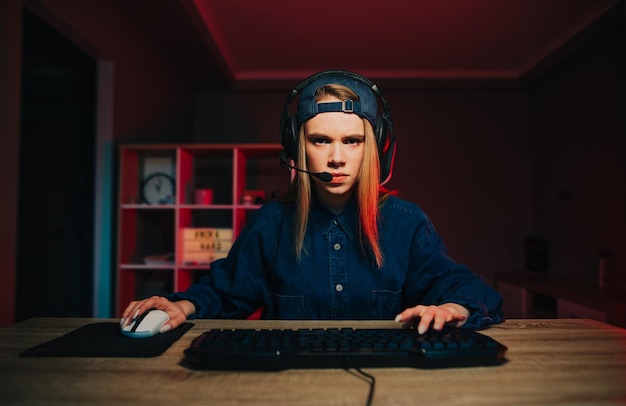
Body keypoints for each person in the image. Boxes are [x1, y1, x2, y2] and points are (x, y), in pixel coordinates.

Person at [121, 70, 504, 335]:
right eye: (321, 140)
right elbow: (227, 292)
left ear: (375, 149)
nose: (337, 158)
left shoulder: (407, 223)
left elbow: (465, 287)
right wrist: (181, 306)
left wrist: (454, 308)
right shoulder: (270, 224)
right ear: (296, 147)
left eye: (352, 141)